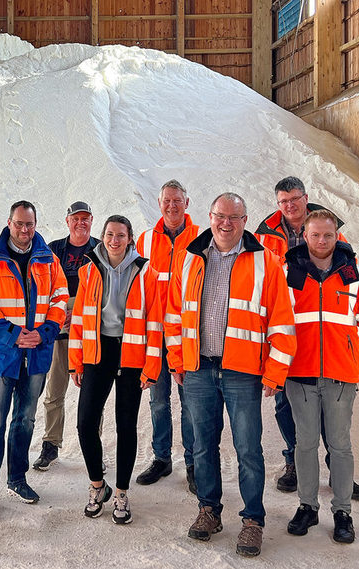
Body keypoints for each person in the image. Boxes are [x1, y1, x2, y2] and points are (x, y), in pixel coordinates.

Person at [164, 193, 297, 557]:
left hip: (243, 372)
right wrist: (177, 359)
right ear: (209, 217)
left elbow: (282, 322)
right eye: (220, 216)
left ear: (245, 220)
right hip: (198, 369)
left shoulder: (265, 262)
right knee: (203, 445)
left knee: (248, 449)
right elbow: (174, 315)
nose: (226, 223)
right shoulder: (190, 259)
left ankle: (252, 520)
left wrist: (275, 373)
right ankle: (209, 510)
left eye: (234, 217)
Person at [254, 176, 359, 501]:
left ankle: (336, 468)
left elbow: (348, 276)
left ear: (306, 198)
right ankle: (293, 463)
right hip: (287, 330)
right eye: (283, 201)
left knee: (333, 411)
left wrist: (348, 344)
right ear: (278, 204)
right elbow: (262, 276)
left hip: (328, 341)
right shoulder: (265, 234)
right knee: (284, 404)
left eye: (295, 199)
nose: (290, 205)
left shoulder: (327, 227)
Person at [283, 209, 359, 544]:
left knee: (340, 445)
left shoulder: (356, 275)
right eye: (315, 235)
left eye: (328, 235)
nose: (322, 241)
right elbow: (277, 321)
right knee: (305, 444)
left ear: (337, 236)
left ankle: (342, 512)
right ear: (304, 236)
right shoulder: (288, 273)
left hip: (341, 376)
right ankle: (307, 507)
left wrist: (349, 350)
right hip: (300, 375)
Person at [0, 201, 68, 517]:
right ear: (9, 222)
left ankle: (17, 478)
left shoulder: (48, 259)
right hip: (2, 355)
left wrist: (47, 331)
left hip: (36, 355)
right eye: (19, 224)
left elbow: (60, 297)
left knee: (24, 419)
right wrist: (12, 334)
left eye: (30, 224)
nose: (25, 230)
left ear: (36, 224)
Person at [69, 215, 162, 525]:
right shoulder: (88, 271)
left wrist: (151, 366)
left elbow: (155, 323)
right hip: (98, 353)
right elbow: (79, 320)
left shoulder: (147, 272)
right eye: (109, 234)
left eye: (121, 235)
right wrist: (75, 360)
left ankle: (122, 492)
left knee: (126, 426)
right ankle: (98, 486)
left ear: (129, 238)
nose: (114, 240)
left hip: (131, 356)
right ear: (103, 236)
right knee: (85, 424)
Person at [135, 180, 200, 492]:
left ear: (187, 203)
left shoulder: (203, 237)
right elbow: (136, 288)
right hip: (153, 336)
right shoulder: (145, 241)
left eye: (177, 200)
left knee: (190, 401)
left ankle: (193, 463)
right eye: (166, 201)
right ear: (158, 204)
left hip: (187, 336)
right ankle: (162, 458)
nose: (172, 206)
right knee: (158, 400)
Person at [32, 201, 100, 471]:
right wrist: (61, 311)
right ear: (67, 221)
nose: (80, 223)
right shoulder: (53, 249)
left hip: (91, 327)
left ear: (91, 220)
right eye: (76, 218)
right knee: (55, 388)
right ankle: (51, 445)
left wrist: (80, 310)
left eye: (85, 218)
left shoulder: (100, 247)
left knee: (93, 392)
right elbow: (42, 284)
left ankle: (92, 447)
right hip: (59, 325)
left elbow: (104, 287)